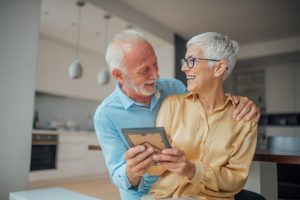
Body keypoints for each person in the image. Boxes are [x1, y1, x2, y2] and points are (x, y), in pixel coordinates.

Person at [94, 29, 260, 200]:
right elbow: (120, 174)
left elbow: (208, 91)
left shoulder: (173, 89)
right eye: (144, 70)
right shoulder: (106, 115)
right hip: (144, 193)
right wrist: (133, 169)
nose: (156, 75)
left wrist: (239, 100)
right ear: (119, 76)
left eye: (155, 64)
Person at [144, 32, 257, 200]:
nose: (183, 68)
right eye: (185, 61)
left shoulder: (244, 120)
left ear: (218, 68)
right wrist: (150, 158)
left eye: (192, 61)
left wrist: (192, 170)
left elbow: (235, 181)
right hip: (161, 196)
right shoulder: (172, 105)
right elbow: (154, 168)